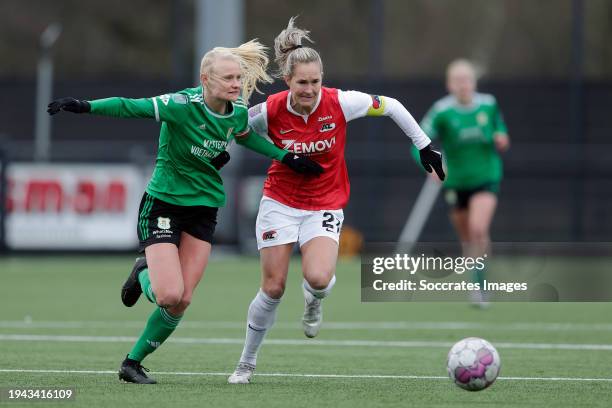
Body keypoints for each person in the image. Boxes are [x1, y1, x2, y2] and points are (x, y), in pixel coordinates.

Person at [47, 39, 322, 384]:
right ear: (205, 79)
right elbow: (130, 107)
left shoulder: (236, 112)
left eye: (238, 77)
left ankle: (132, 363)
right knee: (168, 294)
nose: (236, 85)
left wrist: (286, 156)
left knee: (182, 301)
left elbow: (244, 136)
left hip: (203, 210)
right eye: (228, 78)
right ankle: (142, 272)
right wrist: (84, 106)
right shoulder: (180, 104)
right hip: (163, 204)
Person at [227, 17, 444, 384]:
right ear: (288, 82)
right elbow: (238, 130)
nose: (310, 89)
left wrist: (424, 145)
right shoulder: (271, 110)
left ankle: (314, 301)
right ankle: (246, 363)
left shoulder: (341, 103)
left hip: (324, 204)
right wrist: (224, 152)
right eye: (302, 83)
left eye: (315, 81)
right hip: (279, 202)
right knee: (274, 287)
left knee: (318, 277)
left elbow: (390, 105)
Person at [417, 59, 510, 306]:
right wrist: (430, 167)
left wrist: (501, 138)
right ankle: (477, 279)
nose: (463, 85)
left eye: (467, 80)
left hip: (486, 177)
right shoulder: (441, 111)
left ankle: (481, 288)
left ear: (474, 82)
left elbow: (501, 130)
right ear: (449, 84)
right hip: (455, 183)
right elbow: (418, 142)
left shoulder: (488, 105)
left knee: (479, 228)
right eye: (457, 81)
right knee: (468, 238)